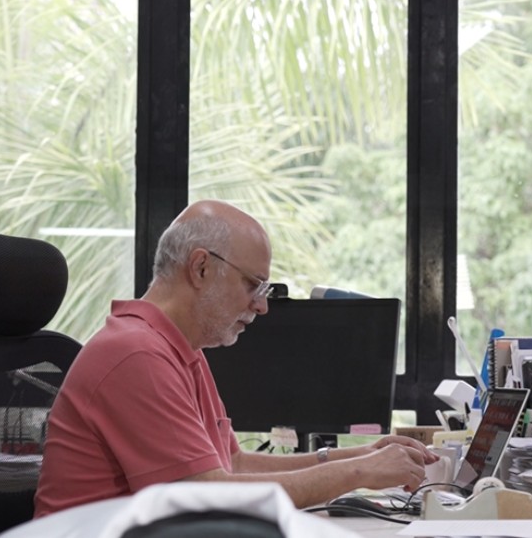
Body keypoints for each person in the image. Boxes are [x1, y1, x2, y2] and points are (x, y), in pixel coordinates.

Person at [34, 199, 437, 518]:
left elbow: (233, 464)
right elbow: (203, 497)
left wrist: (362, 454)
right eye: (253, 285)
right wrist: (358, 474)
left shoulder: (178, 350)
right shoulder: (134, 353)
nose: (261, 307)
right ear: (201, 267)